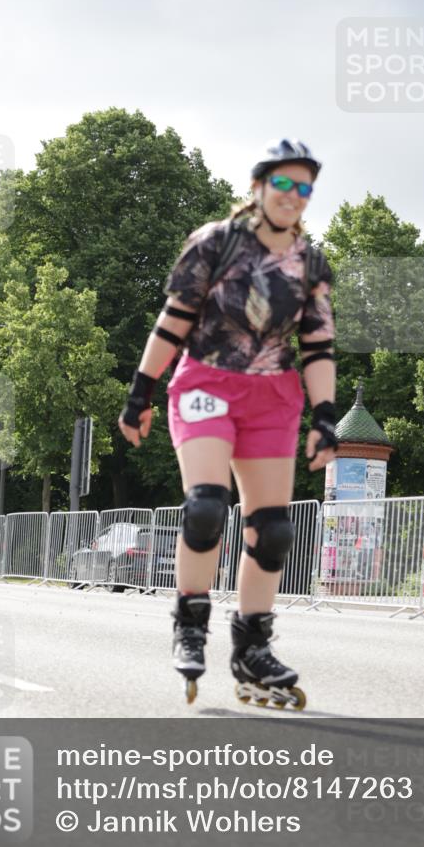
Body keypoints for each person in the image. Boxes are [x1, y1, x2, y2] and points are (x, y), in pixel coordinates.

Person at [119, 139, 338, 707]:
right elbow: (175, 320)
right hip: (206, 384)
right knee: (207, 508)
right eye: (283, 184)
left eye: (304, 187)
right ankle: (191, 623)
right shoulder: (216, 242)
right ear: (259, 186)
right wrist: (141, 391)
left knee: (273, 531)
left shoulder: (310, 263)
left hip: (273, 396)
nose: (293, 196)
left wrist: (326, 417)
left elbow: (318, 346)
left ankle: (251, 647)